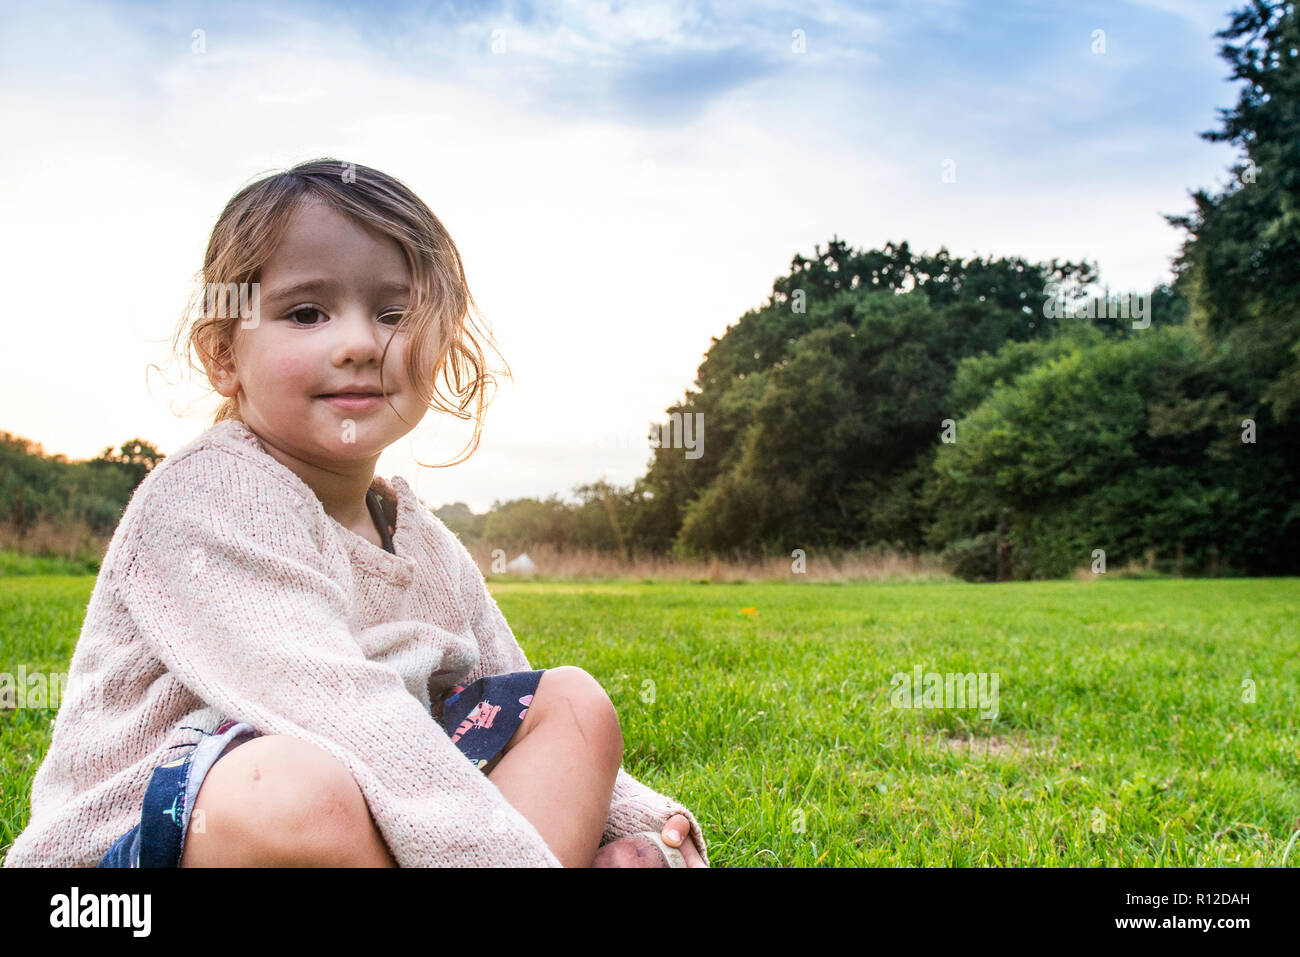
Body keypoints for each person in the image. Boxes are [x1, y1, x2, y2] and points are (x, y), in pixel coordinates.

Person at [2, 159, 708, 869]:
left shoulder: (422, 541)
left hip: (374, 819)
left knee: (569, 702)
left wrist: (640, 821)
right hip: (145, 849)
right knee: (290, 786)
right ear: (223, 355)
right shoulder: (211, 497)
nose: (360, 343)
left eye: (395, 314)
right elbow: (339, 712)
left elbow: (504, 691)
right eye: (306, 312)